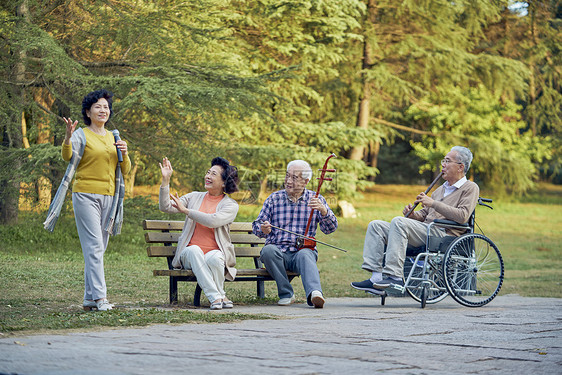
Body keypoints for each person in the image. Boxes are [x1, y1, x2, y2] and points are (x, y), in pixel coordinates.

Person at [44, 89, 131, 311]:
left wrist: (126, 152)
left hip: (110, 197)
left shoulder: (114, 136)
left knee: (98, 249)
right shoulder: (81, 134)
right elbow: (67, 156)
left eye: (106, 107)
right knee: (93, 247)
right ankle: (101, 299)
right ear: (88, 112)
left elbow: (125, 169)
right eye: (98, 107)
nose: (103, 110)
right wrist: (66, 137)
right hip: (85, 195)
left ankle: (89, 298)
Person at [351, 146, 479, 294]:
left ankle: (394, 276)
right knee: (376, 226)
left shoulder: (470, 188)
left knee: (399, 222)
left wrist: (433, 203)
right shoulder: (440, 190)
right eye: (443, 161)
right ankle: (376, 277)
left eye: (447, 161)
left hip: (444, 235)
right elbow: (425, 214)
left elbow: (463, 215)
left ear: (460, 167)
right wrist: (412, 215)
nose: (443, 164)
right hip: (426, 230)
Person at [252, 160, 338, 308]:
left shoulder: (316, 199)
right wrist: (263, 229)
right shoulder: (274, 199)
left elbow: (330, 229)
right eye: (287, 176)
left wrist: (324, 211)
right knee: (268, 251)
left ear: (306, 181)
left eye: (294, 177)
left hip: (302, 253)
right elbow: (257, 226)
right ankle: (286, 294)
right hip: (279, 253)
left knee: (305, 253)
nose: (288, 181)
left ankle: (315, 293)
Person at [159, 156, 239, 310]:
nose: (208, 176)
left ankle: (219, 296)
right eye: (208, 172)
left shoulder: (230, 205)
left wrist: (186, 211)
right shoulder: (194, 197)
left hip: (214, 253)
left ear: (224, 182)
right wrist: (166, 180)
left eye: (213, 174)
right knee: (195, 250)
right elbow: (166, 207)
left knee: (216, 258)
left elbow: (213, 220)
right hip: (189, 254)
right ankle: (217, 297)